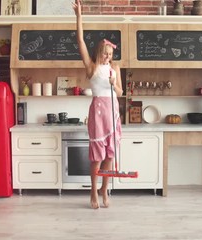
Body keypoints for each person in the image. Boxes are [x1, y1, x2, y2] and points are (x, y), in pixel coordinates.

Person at [72, 0, 123, 209]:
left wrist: (114, 84)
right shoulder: (92, 67)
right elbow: (81, 42)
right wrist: (79, 17)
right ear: (98, 53)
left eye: (110, 55)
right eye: (105, 54)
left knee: (110, 154)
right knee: (97, 156)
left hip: (113, 112)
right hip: (98, 112)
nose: (108, 57)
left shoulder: (115, 69)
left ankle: (104, 188)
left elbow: (120, 92)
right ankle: (93, 191)